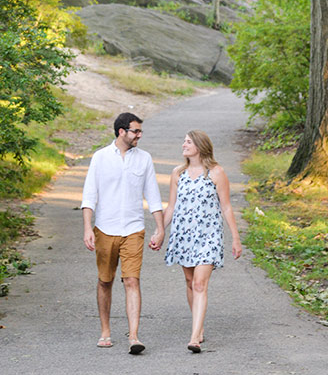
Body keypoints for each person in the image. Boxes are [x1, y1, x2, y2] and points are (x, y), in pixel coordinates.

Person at [80, 112, 164, 354]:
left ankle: (134, 336)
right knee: (105, 281)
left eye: (140, 131)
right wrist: (87, 228)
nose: (139, 135)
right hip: (105, 229)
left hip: (133, 229)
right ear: (121, 132)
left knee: (131, 280)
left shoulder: (144, 159)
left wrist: (160, 228)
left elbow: (153, 196)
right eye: (135, 131)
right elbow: (89, 195)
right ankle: (105, 331)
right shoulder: (100, 157)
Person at [163, 130, 242, 352]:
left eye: (188, 142)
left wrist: (235, 238)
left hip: (208, 236)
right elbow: (171, 207)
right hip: (183, 235)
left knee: (199, 283)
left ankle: (194, 337)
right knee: (190, 282)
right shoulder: (178, 173)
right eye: (184, 141)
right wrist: (160, 231)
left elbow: (226, 207)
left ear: (199, 146)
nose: (184, 145)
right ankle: (199, 327)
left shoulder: (216, 173)